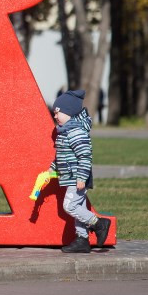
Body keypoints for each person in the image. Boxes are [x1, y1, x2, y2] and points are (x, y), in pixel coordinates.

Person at [51, 88, 110, 253]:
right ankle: (82, 239)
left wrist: (81, 177)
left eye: (58, 112)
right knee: (79, 208)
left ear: (69, 112)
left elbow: (85, 156)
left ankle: (99, 224)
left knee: (69, 206)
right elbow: (61, 156)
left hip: (78, 177)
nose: (55, 116)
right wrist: (52, 169)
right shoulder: (65, 132)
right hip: (71, 177)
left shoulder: (76, 131)